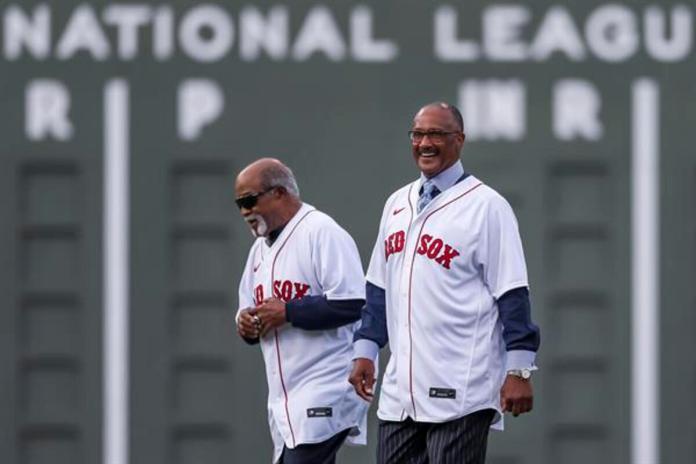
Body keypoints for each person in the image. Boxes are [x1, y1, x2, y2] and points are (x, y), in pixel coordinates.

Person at [348, 103, 541, 463]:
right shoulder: (396, 203)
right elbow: (378, 290)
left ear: (459, 140)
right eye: (418, 134)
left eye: (436, 134)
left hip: (461, 388)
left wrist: (519, 369)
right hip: (400, 394)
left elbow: (512, 292)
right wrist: (366, 351)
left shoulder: (487, 206)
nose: (425, 143)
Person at [235, 158, 369, 464]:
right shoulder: (258, 251)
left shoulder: (320, 231)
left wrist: (289, 311)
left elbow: (353, 302)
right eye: (239, 204)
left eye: (250, 200)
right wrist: (246, 324)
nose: (245, 212)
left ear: (279, 193)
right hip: (284, 400)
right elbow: (248, 310)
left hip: (327, 384)